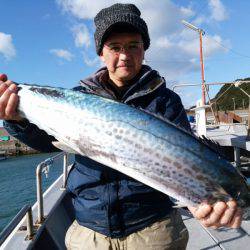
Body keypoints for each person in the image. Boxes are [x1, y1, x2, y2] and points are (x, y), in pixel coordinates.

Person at [0, 3, 242, 250]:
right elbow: (44, 142)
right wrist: (14, 119)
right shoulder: (76, 98)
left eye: (133, 46)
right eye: (115, 47)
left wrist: (201, 206)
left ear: (144, 50)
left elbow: (181, 162)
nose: (124, 55)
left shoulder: (166, 100)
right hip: (89, 231)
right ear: (101, 53)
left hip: (153, 231)